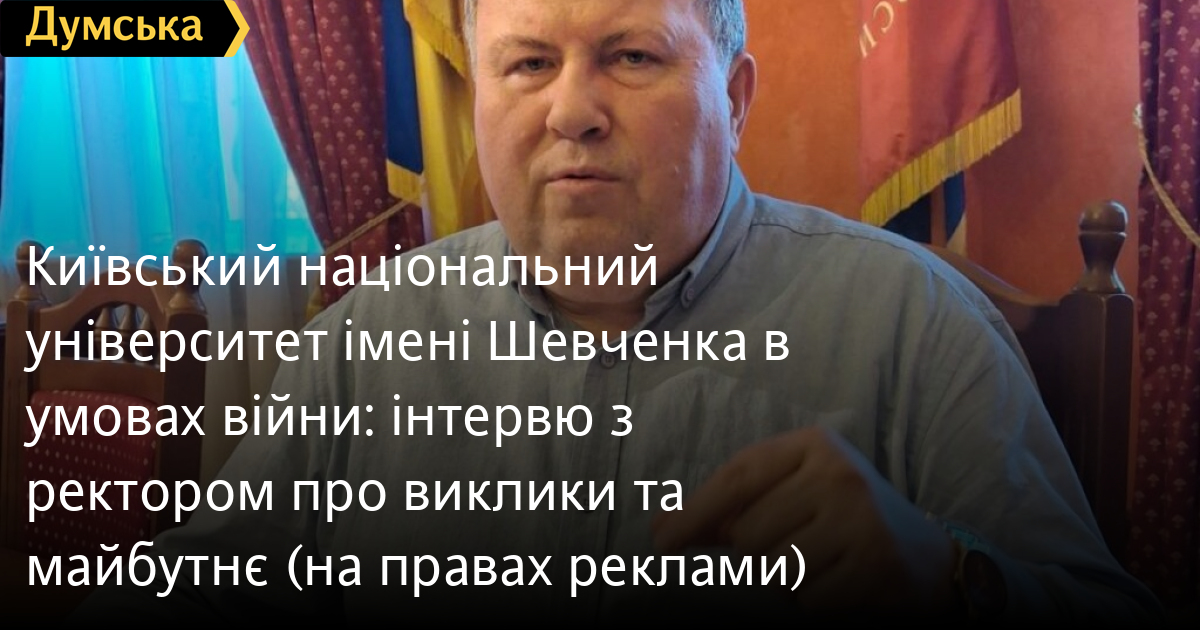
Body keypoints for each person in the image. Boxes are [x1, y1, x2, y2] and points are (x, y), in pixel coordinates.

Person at [75, 0, 1161, 624]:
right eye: (526, 64)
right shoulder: (365, 342)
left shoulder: (911, 326)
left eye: (632, 57)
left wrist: (949, 578)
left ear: (735, 98)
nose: (572, 112)